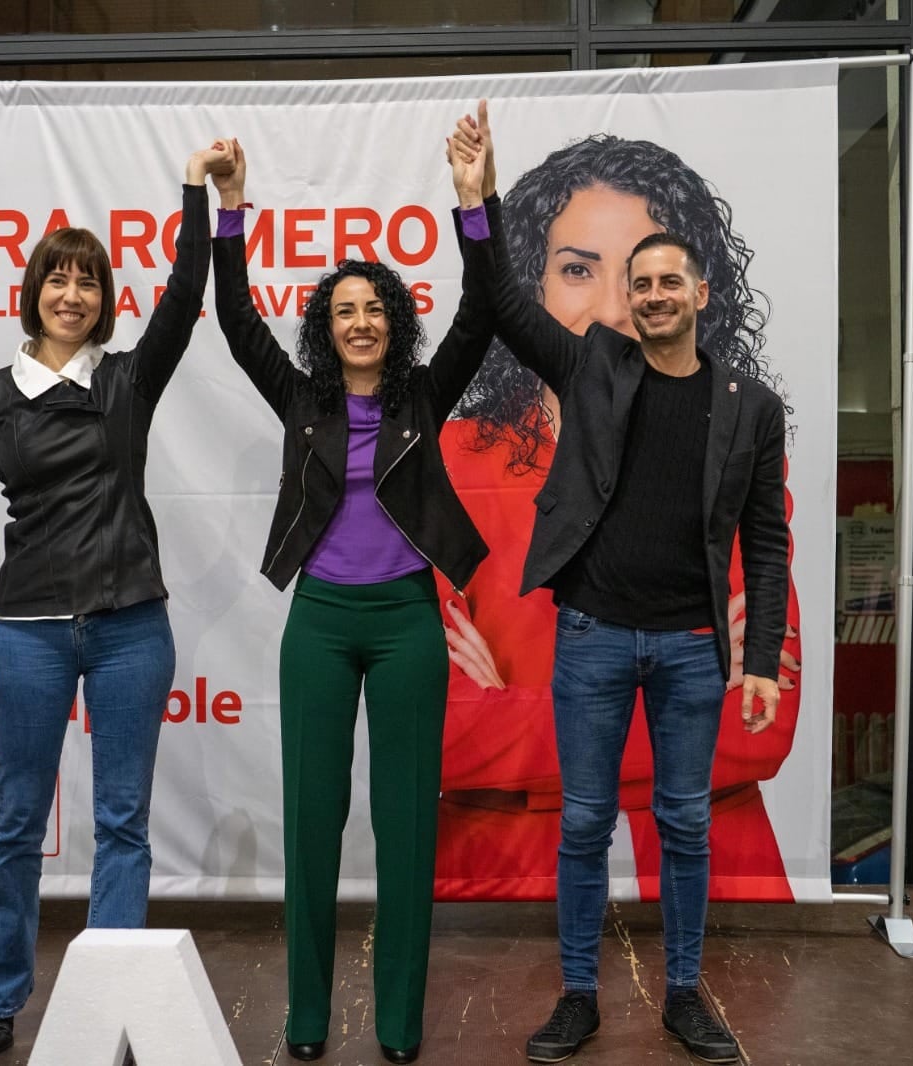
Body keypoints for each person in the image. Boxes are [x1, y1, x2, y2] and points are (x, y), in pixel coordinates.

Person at [453, 106, 790, 1064]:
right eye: (630, 282)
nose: (642, 296)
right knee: (587, 826)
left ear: (700, 290)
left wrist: (757, 658)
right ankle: (578, 995)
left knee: (685, 824)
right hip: (595, 635)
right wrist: (474, 200)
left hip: (691, 647)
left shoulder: (748, 408)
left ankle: (684, 992)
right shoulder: (592, 364)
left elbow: (765, 545)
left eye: (661, 280)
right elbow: (506, 307)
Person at [207, 130, 496, 1064]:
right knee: (314, 821)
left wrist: (472, 202)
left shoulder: (423, 395)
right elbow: (233, 315)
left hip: (409, 621)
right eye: (344, 311)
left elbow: (485, 308)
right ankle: (304, 1019)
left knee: (407, 822)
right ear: (324, 329)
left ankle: (402, 1026)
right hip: (320, 626)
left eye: (375, 308)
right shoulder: (302, 400)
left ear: (394, 321)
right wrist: (232, 211)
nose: (361, 322)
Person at [0, 142, 234, 1060]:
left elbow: (188, 296)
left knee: (122, 823)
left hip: (128, 630)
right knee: (18, 823)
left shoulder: (123, 383)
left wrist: (198, 193)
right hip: (25, 634)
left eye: (87, 282)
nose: (71, 295)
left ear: (104, 298)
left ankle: (109, 1006)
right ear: (33, 291)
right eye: (56, 280)